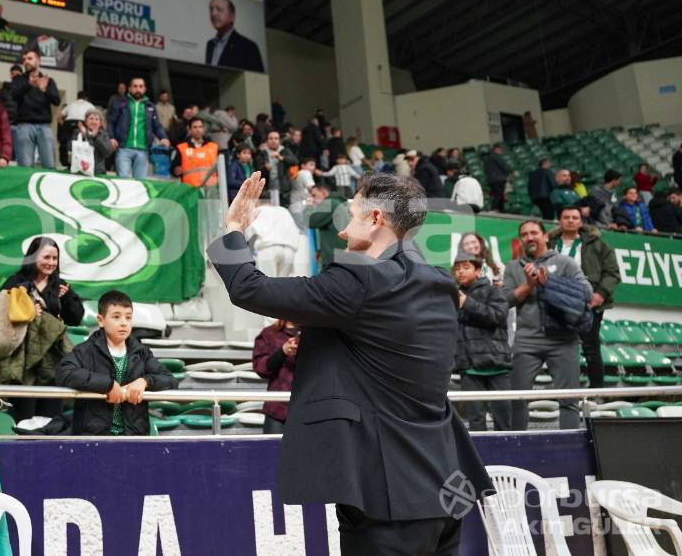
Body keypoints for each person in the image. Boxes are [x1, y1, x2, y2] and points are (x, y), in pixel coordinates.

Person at [210, 171, 491, 552]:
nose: (343, 230)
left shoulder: (360, 280)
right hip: (445, 486)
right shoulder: (441, 283)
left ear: (376, 218)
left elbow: (249, 287)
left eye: (352, 215)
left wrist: (234, 230)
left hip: (387, 497)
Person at [503, 219, 592, 430]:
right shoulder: (513, 267)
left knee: (569, 400)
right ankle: (517, 444)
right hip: (526, 341)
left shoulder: (566, 262)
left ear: (545, 236)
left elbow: (587, 293)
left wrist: (549, 283)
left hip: (563, 340)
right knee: (517, 399)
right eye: (524, 234)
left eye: (534, 233)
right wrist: (528, 285)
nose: (529, 237)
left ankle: (570, 445)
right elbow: (504, 300)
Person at [54, 290, 178, 436]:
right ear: (101, 320)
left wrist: (145, 381)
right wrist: (108, 385)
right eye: (116, 317)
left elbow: (170, 380)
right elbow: (63, 372)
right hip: (94, 438)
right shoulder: (86, 350)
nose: (124, 323)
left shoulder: (141, 352)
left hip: (133, 437)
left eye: (128, 317)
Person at [0, 237, 84, 423]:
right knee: (23, 419)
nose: (51, 262)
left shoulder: (60, 285)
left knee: (50, 419)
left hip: (52, 362)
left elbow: (76, 318)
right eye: (46, 257)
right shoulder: (15, 282)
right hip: (23, 362)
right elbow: (0, 312)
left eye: (55, 258)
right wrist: (26, 313)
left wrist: (67, 298)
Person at [548, 205, 620, 391]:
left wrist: (600, 294)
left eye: (575, 217)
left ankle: (597, 390)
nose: (571, 221)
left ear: (581, 221)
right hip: (555, 303)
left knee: (590, 347)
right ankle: (562, 388)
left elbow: (612, 272)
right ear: (560, 220)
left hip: (587, 303)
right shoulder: (549, 243)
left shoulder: (597, 244)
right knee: (558, 348)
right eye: (566, 217)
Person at [451, 253, 512, 432]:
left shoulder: (493, 291)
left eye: (466, 267)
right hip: (469, 367)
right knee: (475, 420)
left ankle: (506, 450)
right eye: (457, 268)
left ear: (478, 270)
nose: (460, 272)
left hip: (496, 365)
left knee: (503, 419)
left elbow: (498, 316)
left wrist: (467, 303)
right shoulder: (452, 295)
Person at [107, 77, 169, 179]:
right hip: (123, 148)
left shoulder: (150, 106)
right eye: (135, 86)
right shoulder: (120, 103)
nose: (138, 89)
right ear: (130, 88)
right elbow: (111, 122)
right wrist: (111, 137)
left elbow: (157, 125)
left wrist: (164, 137)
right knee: (123, 181)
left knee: (139, 183)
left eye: (140, 86)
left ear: (144, 89)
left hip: (143, 150)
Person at [10, 49, 60, 168]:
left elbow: (56, 101)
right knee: (25, 167)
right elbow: (13, 96)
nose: (26, 61)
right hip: (24, 126)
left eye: (30, 58)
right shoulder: (19, 80)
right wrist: (29, 85)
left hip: (44, 126)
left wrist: (44, 90)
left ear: (39, 60)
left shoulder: (48, 81)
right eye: (24, 59)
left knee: (49, 165)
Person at [251, 318, 300, 434]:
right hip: (277, 409)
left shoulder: (315, 334)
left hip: (308, 407)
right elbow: (260, 367)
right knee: (274, 445)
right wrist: (283, 352)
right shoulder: (269, 333)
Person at [204, 0, 263, 71]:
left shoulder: (248, 47)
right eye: (211, 9)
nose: (213, 13)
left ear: (232, 16)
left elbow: (256, 76)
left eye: (219, 9)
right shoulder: (210, 44)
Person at [245, 200, 301, 279]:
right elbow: (295, 231)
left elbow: (247, 234)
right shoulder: (283, 210)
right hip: (288, 250)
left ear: (257, 201)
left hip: (268, 249)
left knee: (268, 282)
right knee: (283, 283)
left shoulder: (256, 211)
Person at [308, 183, 348, 269]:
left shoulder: (330, 203)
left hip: (333, 257)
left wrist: (309, 207)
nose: (313, 200)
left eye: (314, 195)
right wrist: (319, 249)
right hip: (343, 254)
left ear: (323, 192)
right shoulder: (340, 203)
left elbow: (310, 221)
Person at [171, 117, 219, 188]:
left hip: (210, 189)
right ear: (189, 129)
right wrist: (175, 171)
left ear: (203, 129)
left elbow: (221, 169)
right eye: (195, 127)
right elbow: (174, 168)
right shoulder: (182, 148)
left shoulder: (213, 147)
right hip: (189, 189)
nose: (198, 130)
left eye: (200, 127)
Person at [257, 130, 295, 203]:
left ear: (279, 140)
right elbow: (257, 168)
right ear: (267, 141)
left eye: (276, 138)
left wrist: (281, 158)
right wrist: (265, 168)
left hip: (283, 190)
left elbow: (294, 161)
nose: (273, 141)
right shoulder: (262, 153)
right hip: (267, 190)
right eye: (271, 138)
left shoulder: (285, 150)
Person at [72, 108, 113, 176]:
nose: (94, 121)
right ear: (86, 121)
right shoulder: (77, 132)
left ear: (100, 123)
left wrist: (95, 138)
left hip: (97, 172)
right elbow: (70, 149)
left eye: (97, 119)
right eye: (91, 119)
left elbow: (107, 153)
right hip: (79, 171)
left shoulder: (104, 135)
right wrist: (84, 136)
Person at [58, 90, 94, 167]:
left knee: (67, 142)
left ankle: (66, 162)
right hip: (81, 123)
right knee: (81, 143)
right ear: (86, 99)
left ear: (77, 97)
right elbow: (93, 118)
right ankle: (79, 163)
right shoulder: (90, 105)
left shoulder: (71, 104)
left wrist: (64, 125)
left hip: (68, 123)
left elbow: (59, 118)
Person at [288, 157, 318, 224]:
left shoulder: (298, 173)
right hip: (302, 206)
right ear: (303, 166)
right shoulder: (306, 173)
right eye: (311, 164)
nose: (313, 167)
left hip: (295, 204)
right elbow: (311, 188)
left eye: (314, 165)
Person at [483, 144, 510, 213]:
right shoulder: (497, 157)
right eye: (500, 150)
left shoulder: (486, 159)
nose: (501, 151)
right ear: (496, 149)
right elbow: (504, 166)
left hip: (491, 180)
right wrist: (510, 171)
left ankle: (502, 210)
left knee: (499, 195)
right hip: (499, 179)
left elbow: (485, 170)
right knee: (498, 194)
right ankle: (493, 208)